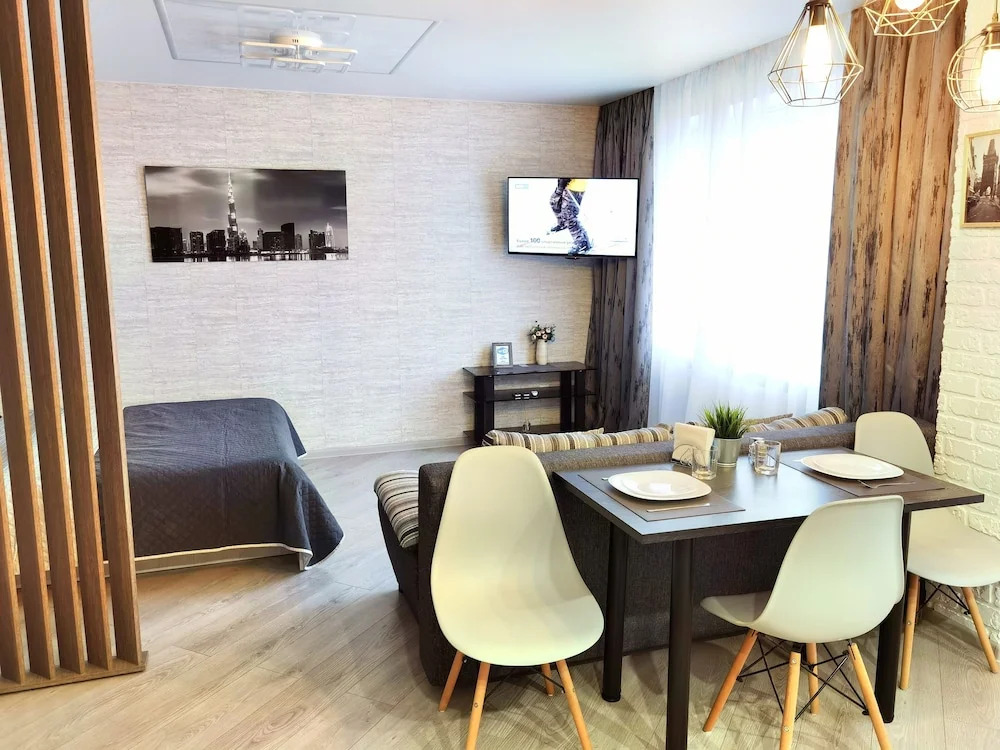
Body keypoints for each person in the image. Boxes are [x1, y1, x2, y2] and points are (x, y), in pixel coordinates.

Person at [547, 178, 592, 256]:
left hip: (575, 185)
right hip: (563, 182)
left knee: (569, 215)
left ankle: (582, 242)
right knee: (554, 202)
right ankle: (562, 223)